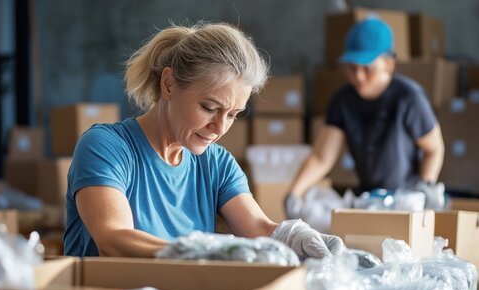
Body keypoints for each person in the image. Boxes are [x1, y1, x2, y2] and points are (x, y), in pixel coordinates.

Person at [63, 21, 344, 259]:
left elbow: (257, 227)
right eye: (209, 108)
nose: (219, 127)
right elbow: (113, 238)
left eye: (233, 114)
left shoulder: (217, 163)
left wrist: (290, 236)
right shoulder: (106, 147)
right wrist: (197, 252)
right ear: (169, 84)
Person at [285, 18, 445, 218]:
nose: (359, 76)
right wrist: (294, 192)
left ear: (388, 63)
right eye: (352, 68)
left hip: (407, 201)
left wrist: (426, 185)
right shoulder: (342, 101)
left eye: (367, 68)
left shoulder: (409, 98)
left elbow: (434, 148)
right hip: (368, 201)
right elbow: (321, 157)